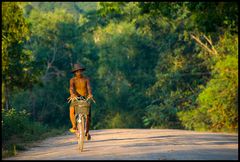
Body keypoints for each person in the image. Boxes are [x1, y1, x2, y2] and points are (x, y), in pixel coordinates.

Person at [67, 63, 93, 140]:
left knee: (88, 115)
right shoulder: (72, 80)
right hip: (76, 98)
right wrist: (72, 94)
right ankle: (74, 126)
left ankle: (87, 132)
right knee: (71, 110)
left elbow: (89, 87)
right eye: (77, 71)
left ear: (82, 71)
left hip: (85, 98)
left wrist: (90, 94)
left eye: (80, 71)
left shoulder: (86, 79)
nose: (79, 73)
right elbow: (71, 88)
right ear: (75, 72)